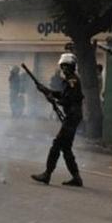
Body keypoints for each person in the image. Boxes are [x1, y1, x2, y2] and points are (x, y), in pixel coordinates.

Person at [31, 53, 84, 187]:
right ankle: (76, 177)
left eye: (66, 66)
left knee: (57, 145)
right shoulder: (70, 80)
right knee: (66, 148)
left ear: (70, 67)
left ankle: (47, 174)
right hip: (72, 116)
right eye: (63, 66)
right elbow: (62, 94)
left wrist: (53, 99)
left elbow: (67, 100)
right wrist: (46, 90)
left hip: (72, 117)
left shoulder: (72, 81)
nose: (63, 69)